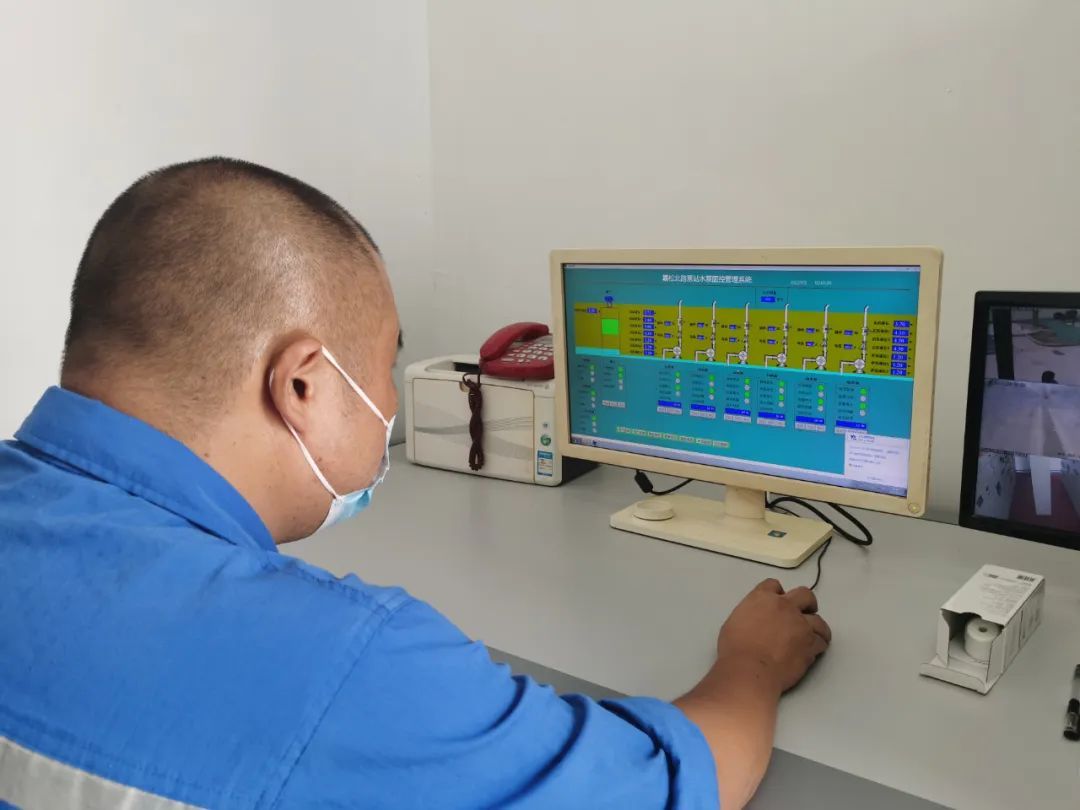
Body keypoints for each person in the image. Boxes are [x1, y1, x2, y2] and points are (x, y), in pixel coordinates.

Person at [0, 159, 830, 809]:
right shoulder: (345, 664)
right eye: (387, 364)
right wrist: (752, 662)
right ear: (302, 385)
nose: (391, 401)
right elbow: (667, 786)